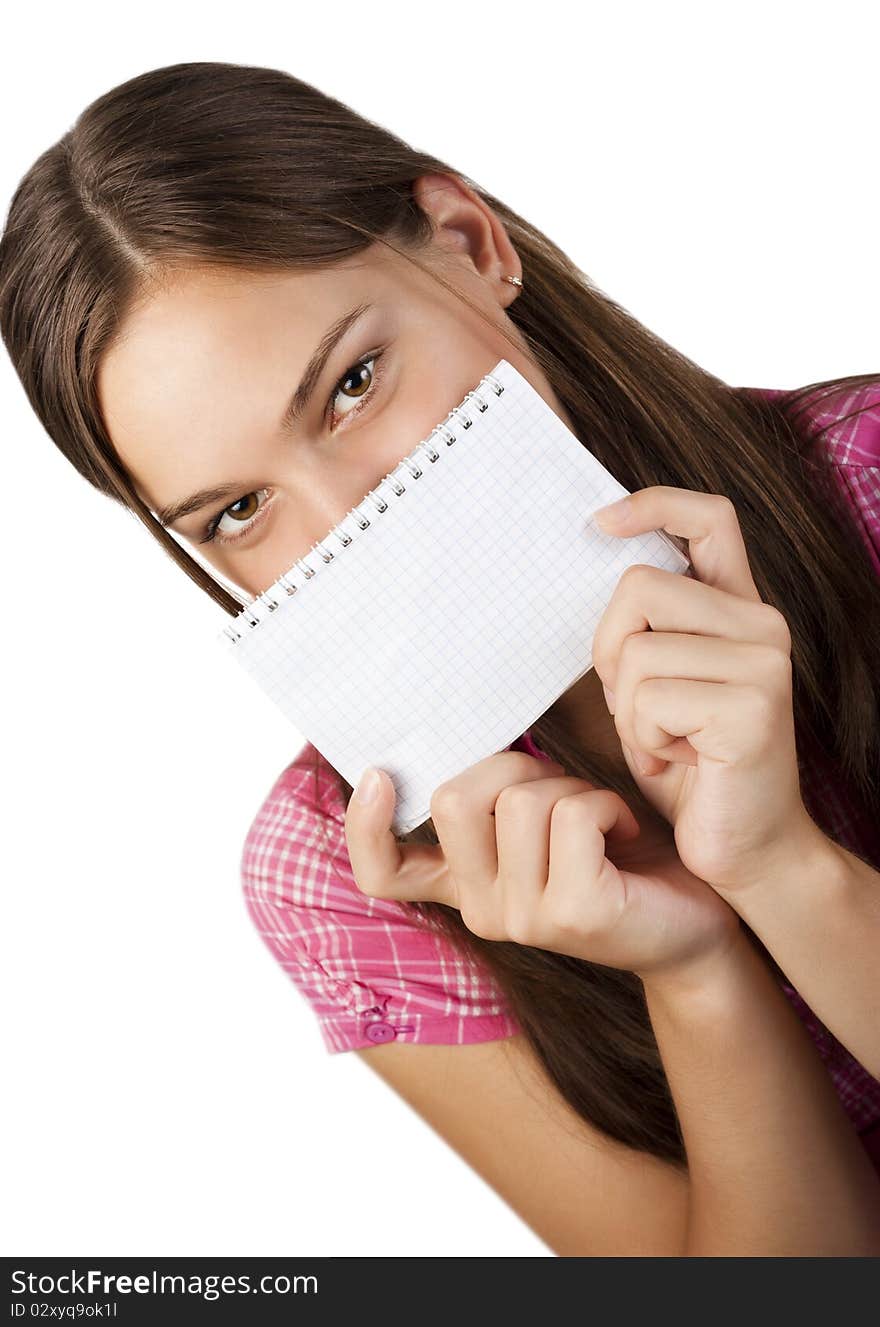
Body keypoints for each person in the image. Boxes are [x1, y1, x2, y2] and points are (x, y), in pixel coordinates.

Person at [2, 60, 879, 1257]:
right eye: (238, 513)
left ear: (472, 244)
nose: (348, 519)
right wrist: (693, 968)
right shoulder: (346, 872)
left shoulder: (869, 480)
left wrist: (781, 863)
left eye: (353, 385)